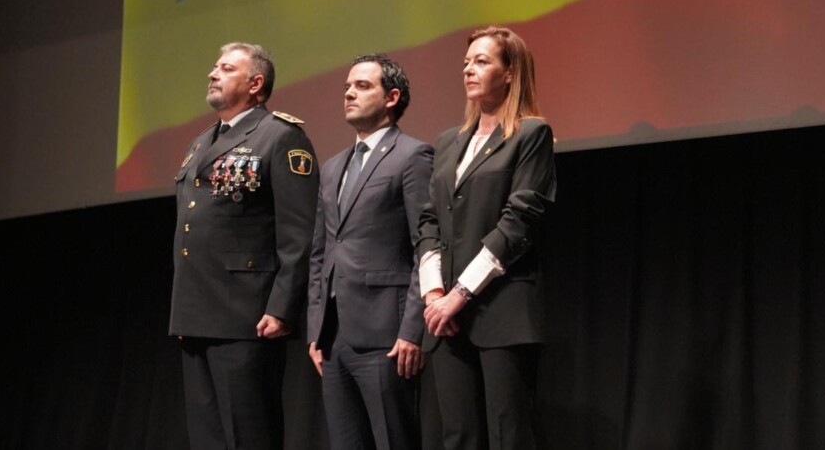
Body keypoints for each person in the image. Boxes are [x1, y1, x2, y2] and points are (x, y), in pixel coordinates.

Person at [169, 42, 319, 450]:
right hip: (197, 315)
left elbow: (299, 234)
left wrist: (281, 307)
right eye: (214, 65)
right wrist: (183, 312)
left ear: (255, 84)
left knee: (249, 435)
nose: (212, 73)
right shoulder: (201, 142)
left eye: (226, 68)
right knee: (208, 438)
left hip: (247, 316)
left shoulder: (281, 137)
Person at [416, 26, 557, 450]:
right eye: (466, 63)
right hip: (445, 315)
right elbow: (429, 222)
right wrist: (434, 294)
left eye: (482, 61)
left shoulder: (531, 134)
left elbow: (519, 222)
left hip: (501, 310)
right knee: (458, 435)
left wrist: (459, 294)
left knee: (507, 433)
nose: (469, 70)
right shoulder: (447, 142)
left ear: (510, 72)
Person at [307, 54, 434, 449]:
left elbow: (426, 247)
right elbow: (320, 252)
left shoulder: (413, 155)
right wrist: (316, 330)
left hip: (387, 335)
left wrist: (413, 331)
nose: (349, 92)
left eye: (362, 86)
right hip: (334, 337)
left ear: (392, 97)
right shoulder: (331, 167)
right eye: (347, 86)